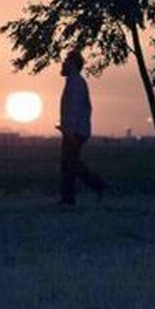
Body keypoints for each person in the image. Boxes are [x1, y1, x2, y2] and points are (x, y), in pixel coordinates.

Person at [57, 49, 107, 206]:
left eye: (66, 61)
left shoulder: (76, 84)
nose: (63, 64)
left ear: (71, 65)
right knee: (69, 163)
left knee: (70, 163)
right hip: (74, 130)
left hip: (75, 131)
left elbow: (77, 109)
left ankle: (96, 186)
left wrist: (70, 130)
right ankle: (70, 197)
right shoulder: (74, 82)